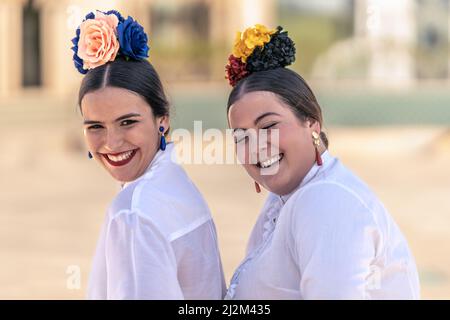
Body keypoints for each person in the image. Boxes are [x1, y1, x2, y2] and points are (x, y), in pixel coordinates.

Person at [223, 24, 420, 299]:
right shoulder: (286, 199)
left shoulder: (326, 199)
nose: (255, 146)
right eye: (241, 137)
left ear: (312, 124)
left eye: (268, 126)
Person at [71, 10, 225, 299]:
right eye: (95, 126)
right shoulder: (177, 185)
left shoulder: (134, 212)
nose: (112, 142)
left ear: (162, 120)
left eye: (128, 122)